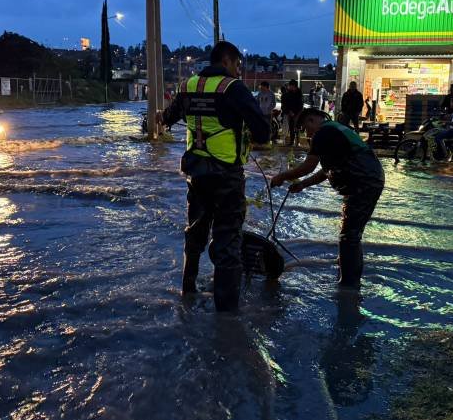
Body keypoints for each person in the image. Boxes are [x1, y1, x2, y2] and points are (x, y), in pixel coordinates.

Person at [158, 41, 270, 311]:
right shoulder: (233, 88)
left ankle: (188, 292)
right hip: (226, 176)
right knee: (228, 241)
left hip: (196, 174)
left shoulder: (187, 86)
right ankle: (226, 314)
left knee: (195, 232)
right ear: (227, 61)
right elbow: (263, 133)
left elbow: (168, 118)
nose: (238, 70)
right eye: (237, 65)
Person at [270, 108, 384, 288]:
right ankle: (346, 274)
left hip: (362, 182)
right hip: (368, 179)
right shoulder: (336, 129)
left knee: (349, 237)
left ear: (312, 120)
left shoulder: (323, 132)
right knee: (351, 234)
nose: (307, 134)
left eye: (306, 128)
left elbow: (308, 166)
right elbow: (327, 170)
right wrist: (303, 184)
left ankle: (349, 286)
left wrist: (282, 176)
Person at [280, 79, 304, 146]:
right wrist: (289, 111)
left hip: (298, 112)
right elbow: (286, 103)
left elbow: (300, 105)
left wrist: (296, 113)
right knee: (291, 127)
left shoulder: (299, 94)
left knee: (297, 127)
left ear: (293, 86)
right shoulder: (289, 93)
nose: (289, 87)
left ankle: (297, 142)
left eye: (290, 86)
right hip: (290, 112)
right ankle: (292, 141)